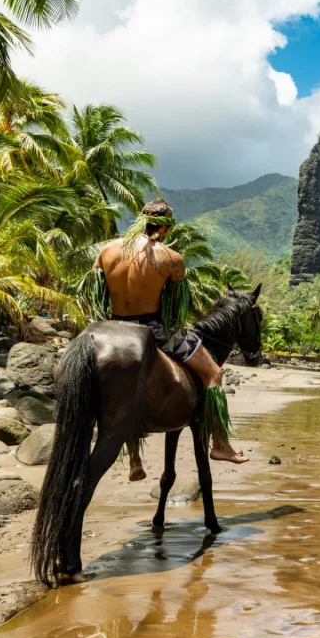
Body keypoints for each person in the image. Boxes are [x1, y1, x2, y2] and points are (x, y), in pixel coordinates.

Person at [91, 198, 248, 481]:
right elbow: (175, 307)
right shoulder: (170, 259)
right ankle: (220, 444)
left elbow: (97, 290)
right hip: (154, 329)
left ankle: (135, 460)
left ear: (141, 221)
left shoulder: (107, 250)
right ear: (165, 229)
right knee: (214, 373)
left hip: (113, 325)